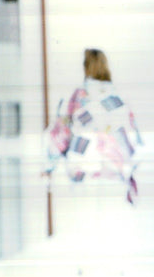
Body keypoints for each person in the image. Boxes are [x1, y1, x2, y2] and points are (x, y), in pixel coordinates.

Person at [44, 49, 143, 204]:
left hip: (83, 174)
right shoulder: (121, 99)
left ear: (85, 67)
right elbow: (134, 139)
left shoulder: (76, 97)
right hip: (115, 177)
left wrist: (49, 166)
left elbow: (60, 135)